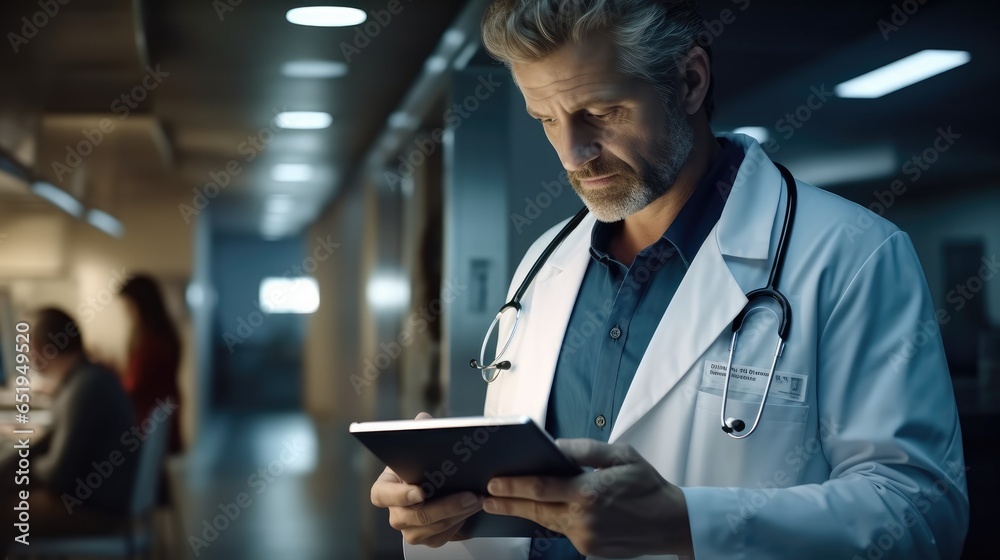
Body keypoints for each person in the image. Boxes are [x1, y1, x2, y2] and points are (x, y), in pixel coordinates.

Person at [370, 1, 969, 559]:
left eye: (599, 113)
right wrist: (449, 513)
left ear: (689, 81)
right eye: (545, 119)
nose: (573, 153)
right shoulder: (542, 263)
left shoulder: (853, 254)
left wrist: (686, 522)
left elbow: (921, 512)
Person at [1, 308, 139, 557]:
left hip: (98, 511)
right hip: (104, 500)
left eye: (28, 346)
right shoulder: (87, 379)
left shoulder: (85, 388)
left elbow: (57, 476)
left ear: (43, 347)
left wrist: (17, 468)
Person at [118, 274, 183, 454]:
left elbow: (134, 385)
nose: (127, 313)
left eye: (129, 307)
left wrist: (109, 373)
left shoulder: (151, 342)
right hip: (156, 417)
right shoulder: (162, 335)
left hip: (146, 419)